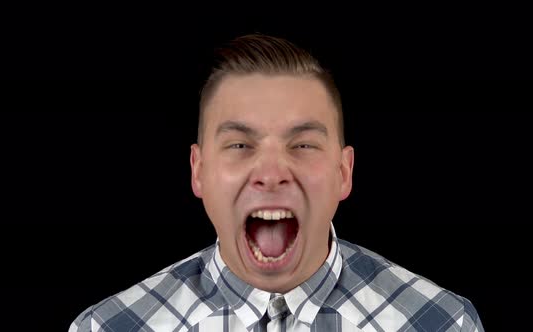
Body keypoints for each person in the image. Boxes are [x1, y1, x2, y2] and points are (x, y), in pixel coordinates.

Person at [69, 34, 484, 332]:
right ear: (199, 171)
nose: (271, 173)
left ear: (344, 172)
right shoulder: (106, 328)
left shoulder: (444, 323)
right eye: (239, 144)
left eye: (302, 144)